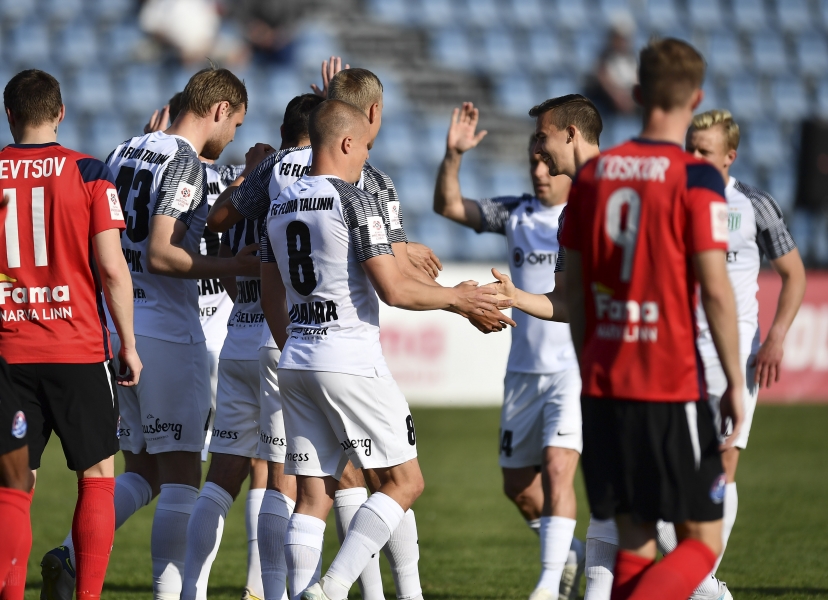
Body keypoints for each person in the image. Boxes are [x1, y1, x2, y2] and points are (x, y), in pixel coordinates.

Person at [209, 64, 511, 600]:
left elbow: (269, 287)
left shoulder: (280, 200)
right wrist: (458, 299)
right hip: (349, 358)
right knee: (404, 482)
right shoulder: (356, 196)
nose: (368, 156)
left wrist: (294, 343)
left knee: (312, 497)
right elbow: (393, 288)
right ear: (349, 140)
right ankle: (331, 587)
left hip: (296, 359)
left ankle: (305, 593)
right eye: (365, 147)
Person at [565, 38, 744, 600]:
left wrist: (590, 365)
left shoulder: (593, 177)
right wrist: (736, 382)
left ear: (637, 92)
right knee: (702, 543)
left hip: (603, 383)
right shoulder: (696, 178)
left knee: (636, 545)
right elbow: (716, 290)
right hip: (668, 384)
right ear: (697, 98)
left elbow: (575, 293)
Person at [651, 109, 806, 600]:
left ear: (729, 156)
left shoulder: (754, 205)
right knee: (658, 475)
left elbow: (795, 274)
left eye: (705, 151)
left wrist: (776, 336)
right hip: (675, 350)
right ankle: (703, 587)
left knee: (721, 467)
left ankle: (699, 580)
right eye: (689, 149)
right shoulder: (670, 201)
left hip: (733, 355)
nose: (694, 158)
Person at [432, 102, 584, 600]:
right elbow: (449, 207)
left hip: (571, 368)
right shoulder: (516, 212)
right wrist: (454, 156)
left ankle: (547, 586)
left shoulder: (586, 213)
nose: (539, 172)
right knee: (518, 486)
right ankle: (570, 553)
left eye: (544, 162)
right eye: (532, 163)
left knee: (559, 469)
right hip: (522, 372)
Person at [0, 69, 142, 600]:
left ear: (9, 115)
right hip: (78, 349)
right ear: (60, 113)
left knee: (14, 487)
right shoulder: (89, 171)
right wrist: (128, 344)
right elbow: (112, 269)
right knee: (98, 476)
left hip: (9, 352)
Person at [180, 93, 322, 600]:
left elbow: (219, 231)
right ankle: (271, 592)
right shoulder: (311, 173)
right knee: (284, 478)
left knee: (222, 477)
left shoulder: (257, 175)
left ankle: (190, 591)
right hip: (280, 337)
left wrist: (248, 173)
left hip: (237, 336)